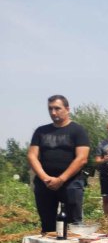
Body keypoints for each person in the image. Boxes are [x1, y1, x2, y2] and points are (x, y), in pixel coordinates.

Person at [27, 95, 90, 232]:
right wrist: (45, 178)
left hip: (71, 183)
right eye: (50, 109)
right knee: (47, 223)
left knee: (74, 224)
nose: (53, 112)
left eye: (57, 108)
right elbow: (32, 156)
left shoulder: (78, 131)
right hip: (45, 183)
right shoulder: (41, 131)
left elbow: (82, 158)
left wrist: (61, 179)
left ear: (67, 109)